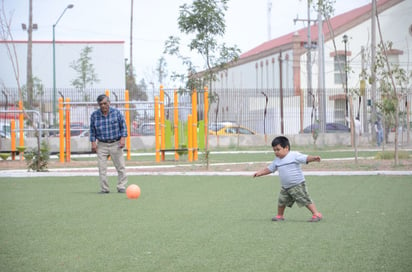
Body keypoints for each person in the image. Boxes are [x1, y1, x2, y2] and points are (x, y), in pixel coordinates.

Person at [253, 136, 323, 222]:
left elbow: (305, 158)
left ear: (286, 148)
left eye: (278, 149)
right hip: (285, 187)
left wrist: (314, 158)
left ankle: (316, 214)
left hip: (297, 185)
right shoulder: (277, 160)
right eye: (274, 150)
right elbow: (269, 169)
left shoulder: (294, 155)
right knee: (281, 201)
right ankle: (280, 215)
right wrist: (259, 173)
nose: (276, 152)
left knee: (304, 199)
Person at [90, 94, 128, 194]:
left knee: (120, 166)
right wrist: (93, 143)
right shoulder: (94, 116)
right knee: (102, 168)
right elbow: (92, 131)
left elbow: (123, 127)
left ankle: (121, 186)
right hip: (102, 144)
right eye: (101, 104)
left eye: (105, 103)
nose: (103, 106)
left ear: (109, 103)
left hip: (116, 143)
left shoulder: (117, 113)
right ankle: (104, 189)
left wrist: (122, 139)